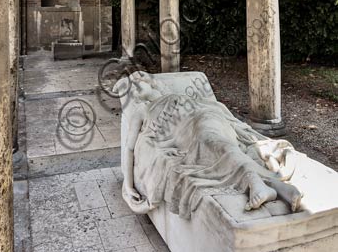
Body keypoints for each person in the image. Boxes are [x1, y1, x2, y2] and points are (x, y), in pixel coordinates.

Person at [120, 72, 303, 220]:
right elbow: (129, 148)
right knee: (214, 146)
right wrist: (128, 186)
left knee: (216, 142)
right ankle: (272, 185)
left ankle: (260, 183)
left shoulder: (176, 96)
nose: (134, 90)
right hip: (183, 135)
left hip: (203, 117)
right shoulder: (142, 110)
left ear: (151, 83)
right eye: (131, 90)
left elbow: (212, 107)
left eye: (137, 84)